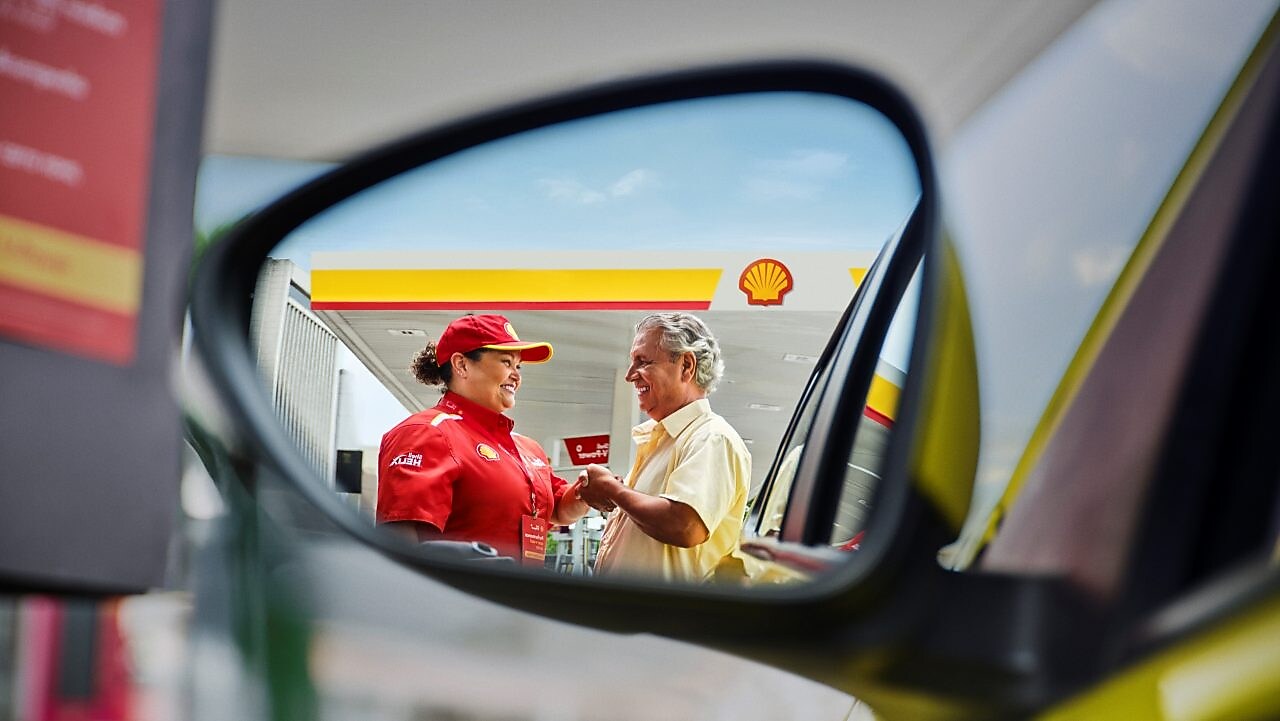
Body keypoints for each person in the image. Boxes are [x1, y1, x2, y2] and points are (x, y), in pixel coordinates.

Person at [376, 314, 589, 565]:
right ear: (462, 365)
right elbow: (400, 542)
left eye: (518, 366)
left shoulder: (527, 448)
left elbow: (558, 508)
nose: (516, 375)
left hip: (517, 598)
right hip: (459, 600)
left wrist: (588, 492)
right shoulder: (426, 433)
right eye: (506, 362)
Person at [576, 312, 752, 583]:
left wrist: (614, 490)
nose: (629, 375)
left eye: (643, 361)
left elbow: (685, 525)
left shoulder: (712, 438)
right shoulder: (666, 440)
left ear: (686, 366)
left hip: (666, 621)